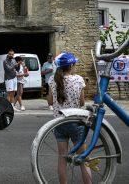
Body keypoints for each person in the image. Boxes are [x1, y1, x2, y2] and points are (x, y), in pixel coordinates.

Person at [47, 53, 91, 184]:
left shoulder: (52, 80)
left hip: (59, 122)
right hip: (76, 121)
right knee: (83, 158)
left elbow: (49, 101)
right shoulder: (78, 79)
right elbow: (82, 102)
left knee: (62, 158)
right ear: (71, 65)